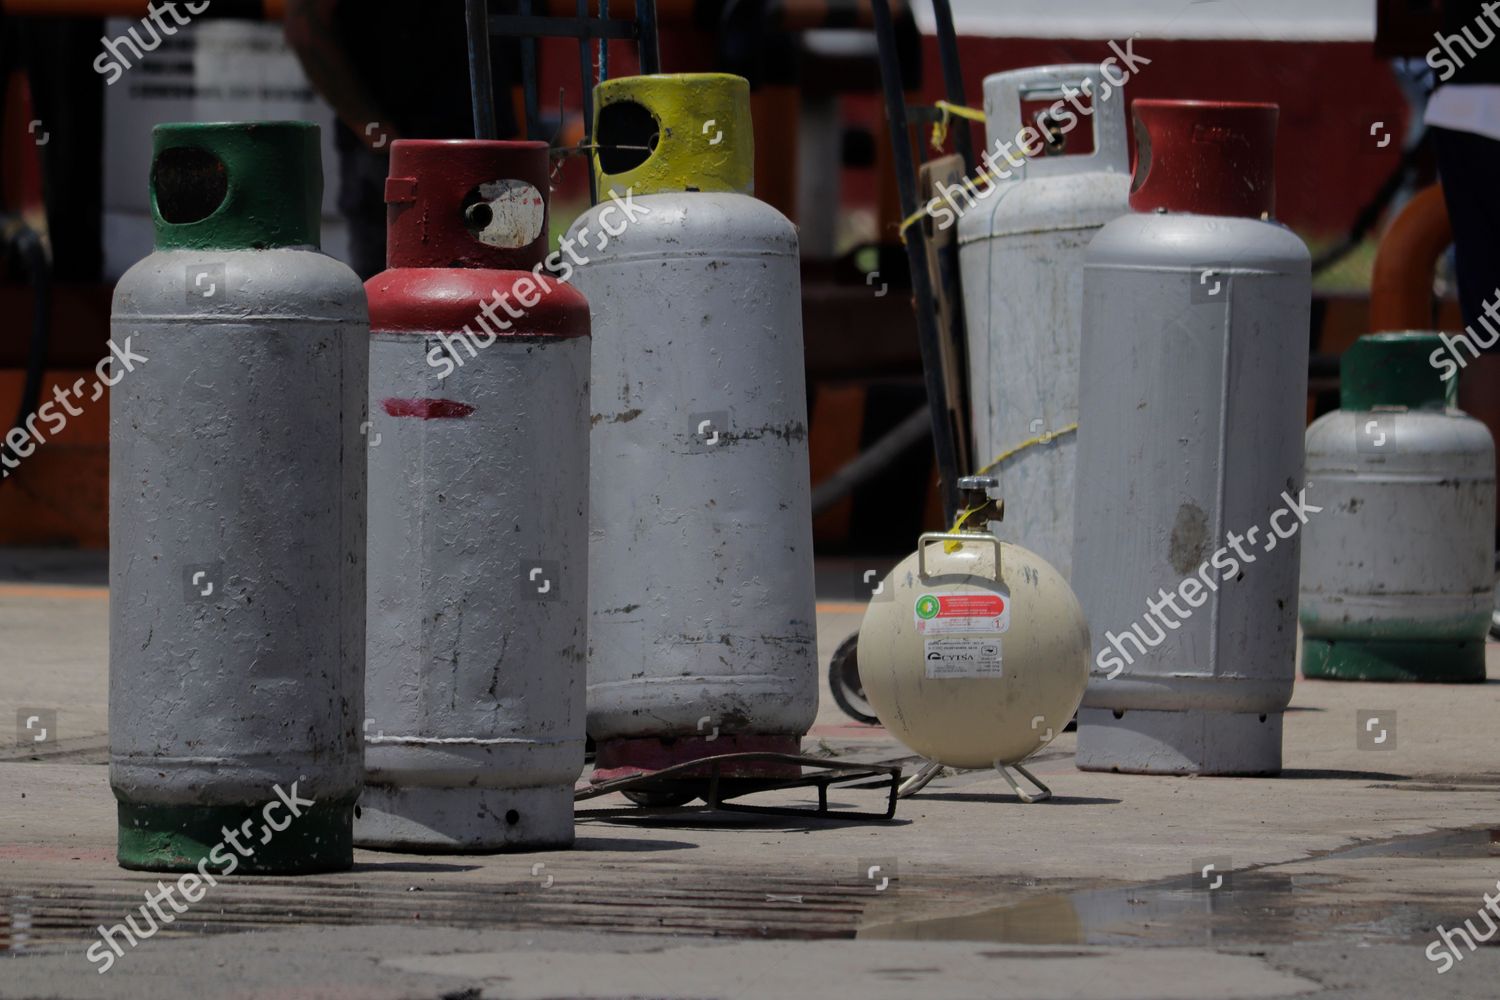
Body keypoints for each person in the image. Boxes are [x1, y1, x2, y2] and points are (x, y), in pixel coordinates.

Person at [285, 0, 519, 279]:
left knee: (499, 294)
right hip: (394, 164)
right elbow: (304, 30)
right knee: (395, 303)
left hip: (490, 159)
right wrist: (376, 133)